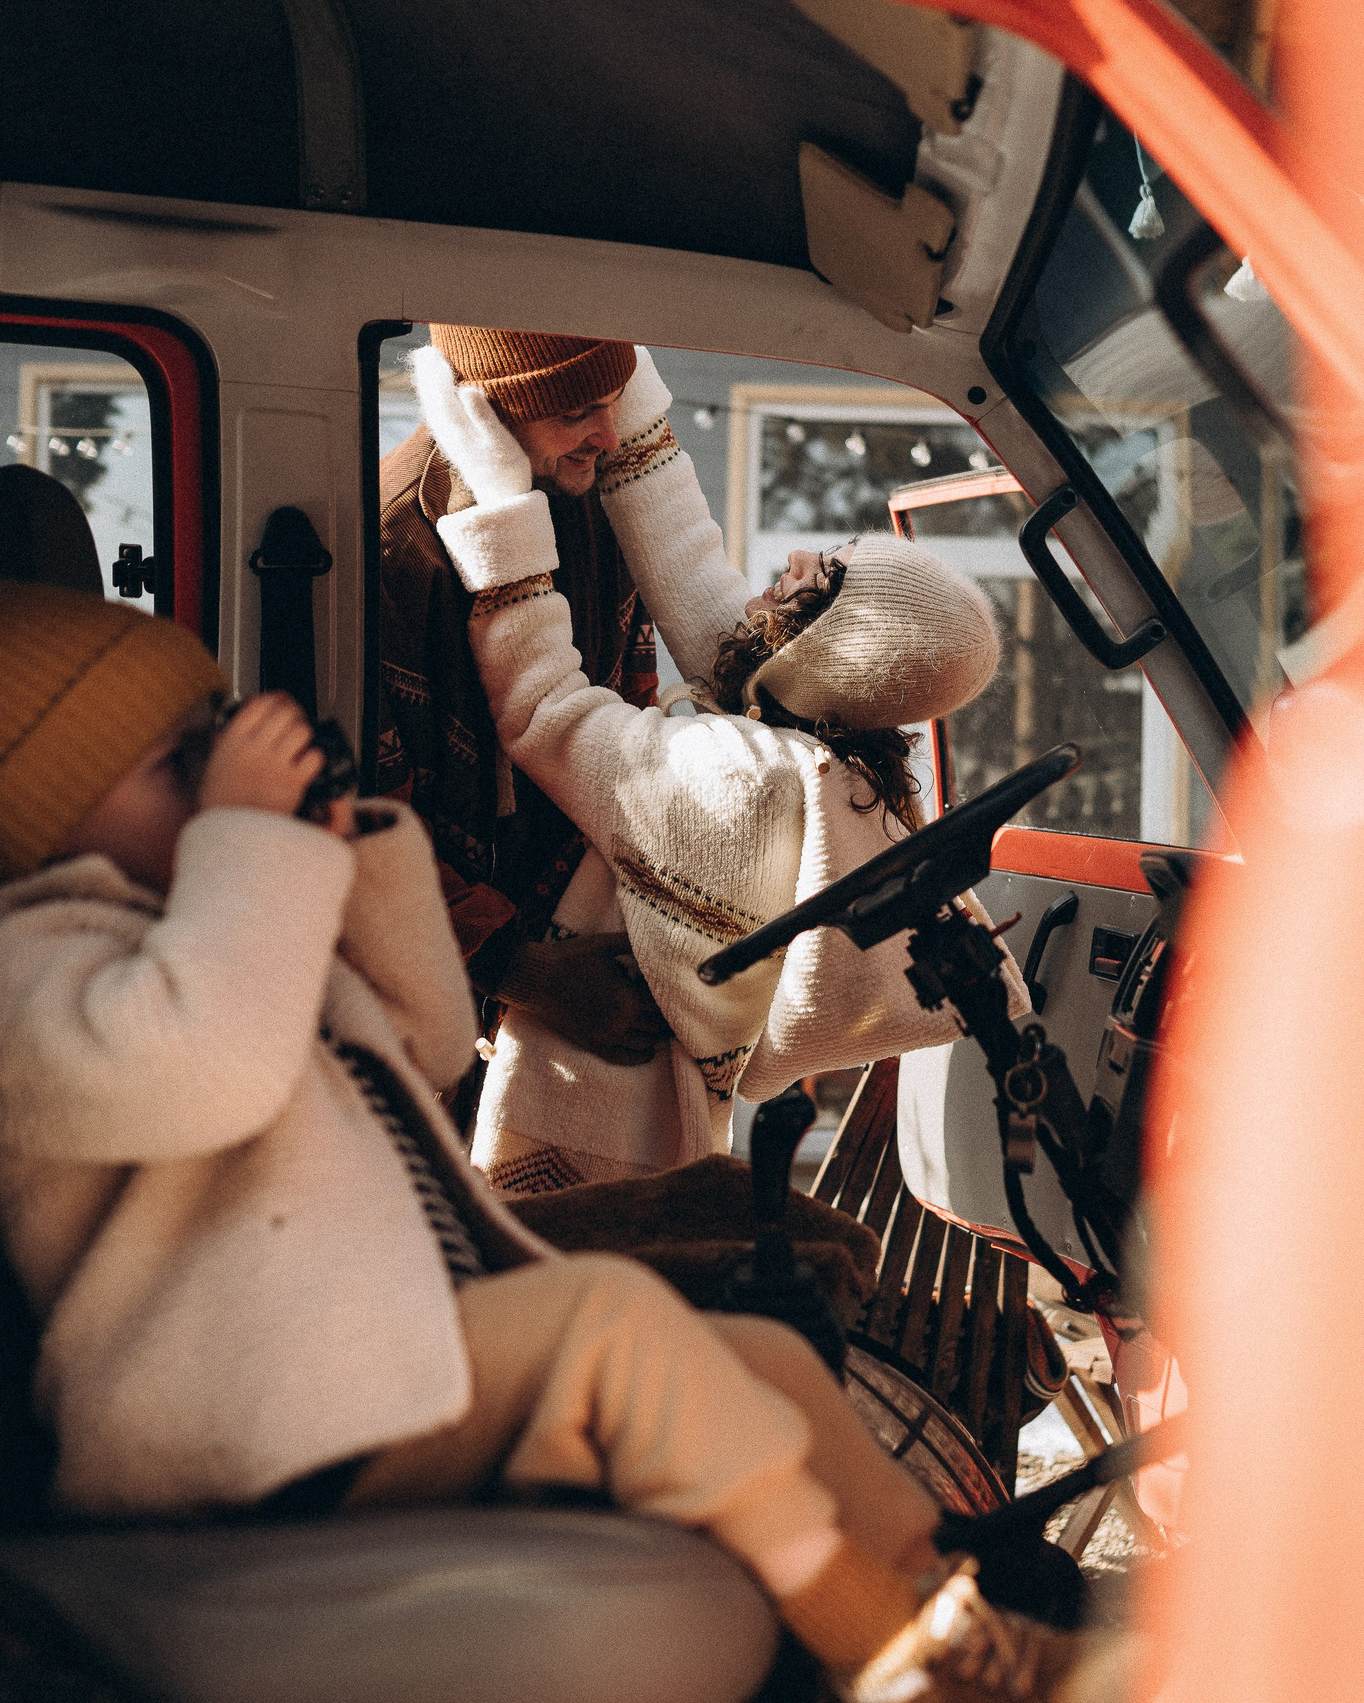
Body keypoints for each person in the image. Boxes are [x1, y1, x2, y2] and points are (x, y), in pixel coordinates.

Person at [0, 579, 1081, 1703]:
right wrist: (248, 841)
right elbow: (214, 1069)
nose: (209, 782)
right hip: (221, 1437)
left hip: (338, 1379)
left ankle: (944, 1596)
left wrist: (360, 852)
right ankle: (886, 1646)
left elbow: (427, 1043)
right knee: (612, 1326)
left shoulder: (202, 924)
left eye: (212, 738)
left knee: (760, 1356)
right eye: (167, 764)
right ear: (44, 817)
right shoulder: (22, 969)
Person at [405, 346, 1025, 1192]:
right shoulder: (818, 753)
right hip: (659, 1128)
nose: (796, 564)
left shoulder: (737, 776)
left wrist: (503, 503)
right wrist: (628, 373)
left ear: (829, 649)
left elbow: (546, 710)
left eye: (825, 575)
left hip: (581, 1124)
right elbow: (701, 584)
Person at [377, 327, 672, 1084]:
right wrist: (524, 973)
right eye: (577, 411)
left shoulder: (596, 490)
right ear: (490, 409)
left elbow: (632, 697)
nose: (607, 435)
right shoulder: (398, 551)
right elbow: (364, 824)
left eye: (613, 404)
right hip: (425, 1002)